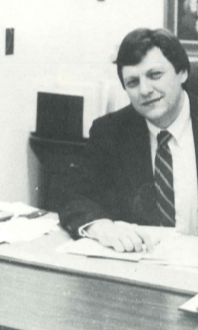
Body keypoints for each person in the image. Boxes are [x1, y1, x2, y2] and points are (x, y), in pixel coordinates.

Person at [59, 27, 198, 253]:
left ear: (182, 72)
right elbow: (73, 196)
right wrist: (102, 227)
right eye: (133, 82)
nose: (144, 90)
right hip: (139, 267)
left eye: (155, 75)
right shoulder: (110, 131)